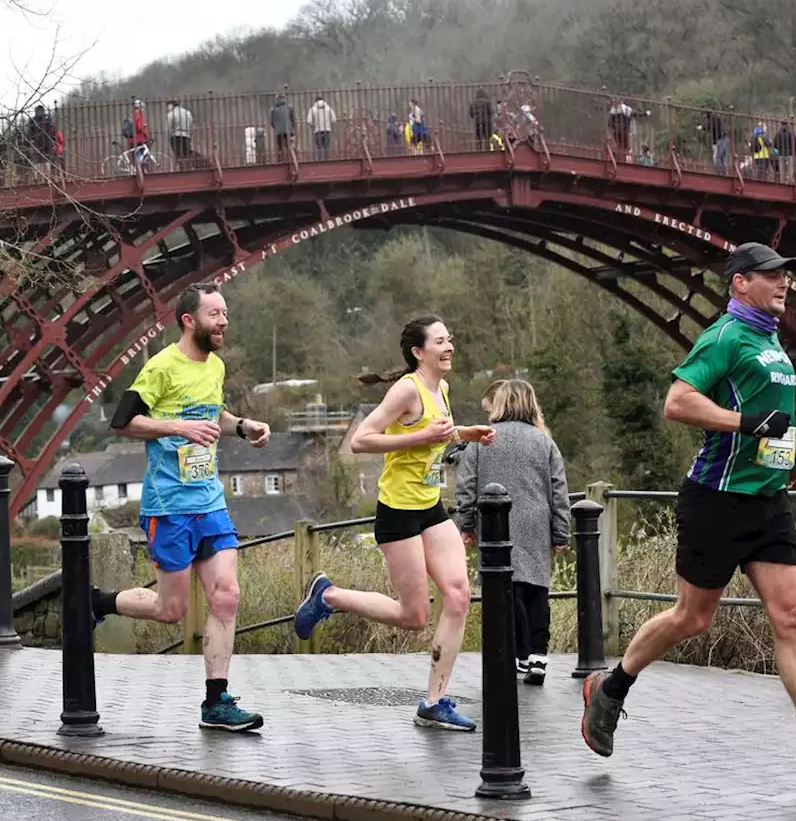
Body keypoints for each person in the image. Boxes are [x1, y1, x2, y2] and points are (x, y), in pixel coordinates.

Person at [580, 243, 796, 776]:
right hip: (716, 500)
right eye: (771, 276)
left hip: (767, 500)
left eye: (786, 275)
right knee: (692, 618)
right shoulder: (724, 336)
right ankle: (611, 686)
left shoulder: (770, 339)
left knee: (792, 615)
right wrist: (746, 424)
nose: (784, 283)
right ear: (740, 283)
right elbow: (678, 401)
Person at [292, 316, 495, 730]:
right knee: (413, 615)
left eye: (450, 339)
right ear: (419, 352)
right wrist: (420, 439)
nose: (449, 346)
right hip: (398, 511)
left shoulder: (443, 388)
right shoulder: (407, 389)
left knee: (458, 595)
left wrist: (464, 433)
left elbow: (435, 433)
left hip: (430, 506)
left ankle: (434, 702)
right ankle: (329, 597)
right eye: (440, 341)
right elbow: (361, 440)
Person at [93, 283, 272, 732]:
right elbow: (123, 422)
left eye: (226, 313)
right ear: (189, 320)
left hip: (209, 500)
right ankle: (98, 602)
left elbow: (215, 415)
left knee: (226, 596)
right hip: (168, 505)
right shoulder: (160, 367)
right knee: (171, 610)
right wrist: (178, 427)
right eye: (215, 314)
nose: (224, 322)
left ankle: (216, 702)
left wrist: (243, 426)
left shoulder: (215, 366)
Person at [455, 380, 569, 685]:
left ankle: (518, 654)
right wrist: (560, 532)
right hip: (536, 522)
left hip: (495, 524)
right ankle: (538, 656)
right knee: (537, 590)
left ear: (501, 403)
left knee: (508, 588)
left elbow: (466, 484)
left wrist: (466, 523)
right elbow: (558, 490)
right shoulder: (545, 442)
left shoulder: (481, 440)